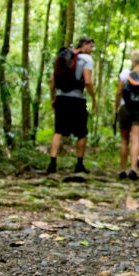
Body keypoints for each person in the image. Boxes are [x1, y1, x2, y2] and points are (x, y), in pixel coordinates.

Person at [47, 37, 96, 174]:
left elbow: (52, 81)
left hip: (61, 98)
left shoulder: (62, 56)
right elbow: (87, 81)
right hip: (77, 99)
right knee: (81, 132)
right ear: (84, 45)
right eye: (91, 47)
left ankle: (52, 163)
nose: (91, 50)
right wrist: (93, 97)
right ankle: (79, 164)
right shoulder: (86, 60)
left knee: (58, 131)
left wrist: (53, 98)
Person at [114, 48, 139, 179]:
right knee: (136, 139)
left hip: (125, 108)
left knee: (124, 140)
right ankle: (133, 169)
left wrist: (116, 108)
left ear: (133, 60)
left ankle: (122, 169)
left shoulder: (126, 73)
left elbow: (119, 92)